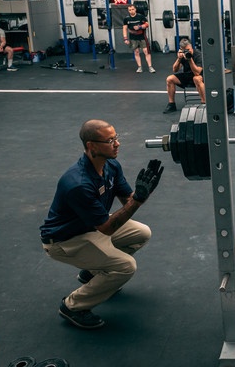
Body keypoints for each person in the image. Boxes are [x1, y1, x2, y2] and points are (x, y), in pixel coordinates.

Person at [39, 120, 163, 329]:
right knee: (126, 267)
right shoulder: (78, 184)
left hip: (92, 227)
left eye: (116, 137)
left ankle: (93, 272)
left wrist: (143, 194)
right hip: (65, 240)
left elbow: (127, 201)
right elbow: (107, 228)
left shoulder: (111, 165)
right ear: (91, 146)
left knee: (142, 233)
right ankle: (72, 307)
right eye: (110, 140)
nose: (117, 144)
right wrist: (138, 201)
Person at [163, 38, 205, 113]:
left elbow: (197, 73)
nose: (188, 52)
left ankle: (204, 103)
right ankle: (171, 104)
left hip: (200, 77)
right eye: (186, 50)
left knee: (196, 78)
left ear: (191, 47)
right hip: (187, 76)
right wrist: (179, 59)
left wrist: (190, 59)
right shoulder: (182, 55)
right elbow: (175, 70)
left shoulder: (198, 54)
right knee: (170, 79)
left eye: (189, 49)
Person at [122, 4, 154, 73]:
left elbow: (147, 24)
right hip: (133, 37)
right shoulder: (126, 19)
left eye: (132, 9)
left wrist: (140, 27)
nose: (131, 11)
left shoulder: (140, 16)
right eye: (129, 10)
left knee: (146, 51)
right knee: (136, 52)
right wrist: (125, 38)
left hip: (142, 36)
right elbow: (125, 28)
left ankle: (150, 67)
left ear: (135, 9)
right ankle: (139, 67)